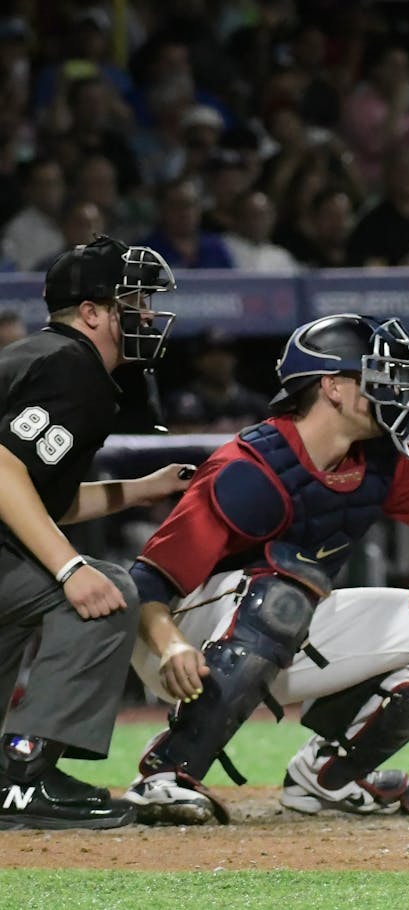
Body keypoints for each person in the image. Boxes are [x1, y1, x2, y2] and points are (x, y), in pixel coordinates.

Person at [122, 314, 409, 825]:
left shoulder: (380, 459)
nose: (395, 389)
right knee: (287, 587)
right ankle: (165, 773)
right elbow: (147, 583)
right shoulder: (249, 467)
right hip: (178, 637)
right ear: (332, 387)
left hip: (282, 623)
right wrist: (171, 644)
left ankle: (328, 776)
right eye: (378, 376)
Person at [1, 235, 191, 830]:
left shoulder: (45, 358)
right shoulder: (72, 366)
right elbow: (1, 469)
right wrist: (70, 569)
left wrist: (140, 488)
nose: (146, 315)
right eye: (131, 302)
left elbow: (34, 500)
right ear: (91, 313)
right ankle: (25, 778)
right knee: (105, 593)